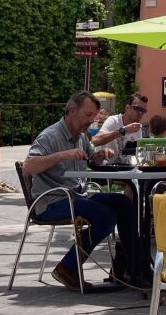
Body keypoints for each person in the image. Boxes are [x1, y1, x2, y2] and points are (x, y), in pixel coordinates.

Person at [23, 91, 138, 291]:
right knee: (105, 216)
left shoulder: (81, 136)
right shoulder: (50, 136)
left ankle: (131, 266)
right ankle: (67, 268)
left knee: (123, 203)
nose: (91, 121)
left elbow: (91, 158)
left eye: (93, 117)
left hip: (76, 194)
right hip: (51, 201)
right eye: (87, 115)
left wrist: (100, 155)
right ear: (72, 111)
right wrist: (61, 155)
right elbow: (28, 166)